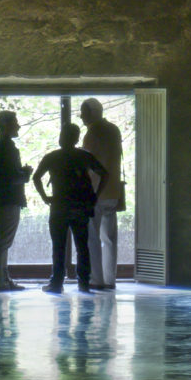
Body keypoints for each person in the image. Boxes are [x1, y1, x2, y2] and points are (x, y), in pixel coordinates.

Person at [32, 122, 106, 294]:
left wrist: (45, 197)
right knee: (82, 245)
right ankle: (84, 283)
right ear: (77, 138)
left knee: (58, 246)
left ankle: (56, 283)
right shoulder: (84, 156)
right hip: (81, 206)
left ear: (62, 137)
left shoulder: (52, 157)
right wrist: (95, 195)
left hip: (59, 206)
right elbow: (105, 174)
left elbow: (36, 177)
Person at [79, 97, 125, 290]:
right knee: (110, 238)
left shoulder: (92, 133)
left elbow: (87, 163)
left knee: (92, 237)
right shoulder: (114, 129)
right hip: (113, 189)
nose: (81, 116)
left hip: (95, 191)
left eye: (83, 112)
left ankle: (96, 279)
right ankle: (110, 279)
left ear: (92, 113)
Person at [0, 109, 29, 291]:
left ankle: (2, 280)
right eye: (15, 122)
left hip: (1, 199)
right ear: (6, 126)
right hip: (8, 199)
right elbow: (10, 178)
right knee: (3, 241)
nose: (18, 125)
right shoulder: (6, 147)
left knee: (3, 240)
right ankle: (0, 281)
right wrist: (25, 174)